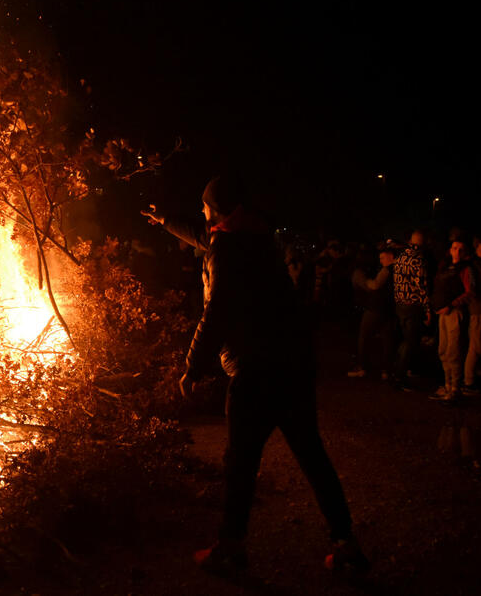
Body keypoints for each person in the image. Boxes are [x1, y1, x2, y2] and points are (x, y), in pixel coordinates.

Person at [142, 177, 369, 574]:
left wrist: (192, 367)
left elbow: (217, 311)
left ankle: (230, 548)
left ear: (218, 210)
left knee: (240, 463)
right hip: (293, 366)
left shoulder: (226, 251)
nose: (201, 213)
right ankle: (345, 543)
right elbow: (204, 237)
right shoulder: (254, 240)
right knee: (313, 457)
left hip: (256, 370)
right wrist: (165, 221)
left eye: (204, 206)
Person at [429, 236, 474, 402]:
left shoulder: (466, 269)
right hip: (442, 313)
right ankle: (447, 385)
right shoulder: (445, 267)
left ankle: (455, 388)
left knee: (453, 351)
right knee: (443, 350)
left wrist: (452, 305)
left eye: (461, 249)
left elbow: (470, 292)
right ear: (450, 250)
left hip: (454, 313)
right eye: (454, 248)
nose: (457, 251)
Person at [347, 246, 396, 379]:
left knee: (364, 336)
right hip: (389, 308)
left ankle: (362, 367)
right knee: (388, 339)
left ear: (391, 256)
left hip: (376, 307)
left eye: (382, 258)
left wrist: (366, 282)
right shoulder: (400, 270)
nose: (380, 261)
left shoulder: (386, 270)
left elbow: (375, 285)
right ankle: (387, 370)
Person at [391, 231, 431, 386]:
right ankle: (399, 375)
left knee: (405, 340)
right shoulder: (418, 260)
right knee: (410, 342)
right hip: (412, 306)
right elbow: (422, 288)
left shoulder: (400, 257)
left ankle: (399, 370)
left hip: (400, 305)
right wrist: (427, 309)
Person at [463, 239, 481, 395]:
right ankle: (469, 381)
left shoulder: (477, 264)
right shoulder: (478, 265)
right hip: (478, 309)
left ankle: (473, 374)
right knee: (475, 346)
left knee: (476, 344)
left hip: (478, 309)